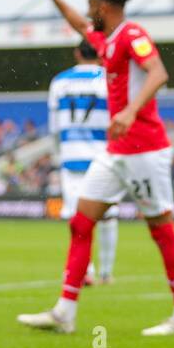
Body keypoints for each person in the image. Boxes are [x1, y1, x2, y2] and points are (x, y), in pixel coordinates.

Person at [15, 0, 174, 337]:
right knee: (81, 223)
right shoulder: (107, 39)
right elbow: (80, 25)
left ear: (102, 4)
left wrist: (131, 110)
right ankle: (65, 312)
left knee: (161, 230)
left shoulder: (132, 35)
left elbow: (158, 73)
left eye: (90, 5)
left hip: (145, 149)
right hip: (116, 151)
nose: (88, 12)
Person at [48, 38, 117, 285]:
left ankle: (85, 270)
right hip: (103, 155)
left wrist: (61, 152)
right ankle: (107, 273)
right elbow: (116, 118)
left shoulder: (59, 82)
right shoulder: (107, 78)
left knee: (78, 217)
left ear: (77, 53)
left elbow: (55, 127)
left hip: (71, 156)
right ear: (99, 53)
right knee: (108, 215)